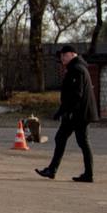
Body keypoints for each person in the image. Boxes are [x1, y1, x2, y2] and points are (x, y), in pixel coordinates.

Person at [36, 44, 98, 183]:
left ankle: (88, 174)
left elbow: (76, 95)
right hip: (75, 113)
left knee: (82, 142)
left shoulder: (77, 69)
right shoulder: (76, 68)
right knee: (61, 138)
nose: (62, 58)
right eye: (61, 55)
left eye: (64, 55)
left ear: (72, 54)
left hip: (79, 114)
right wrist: (62, 111)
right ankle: (52, 170)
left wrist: (66, 111)